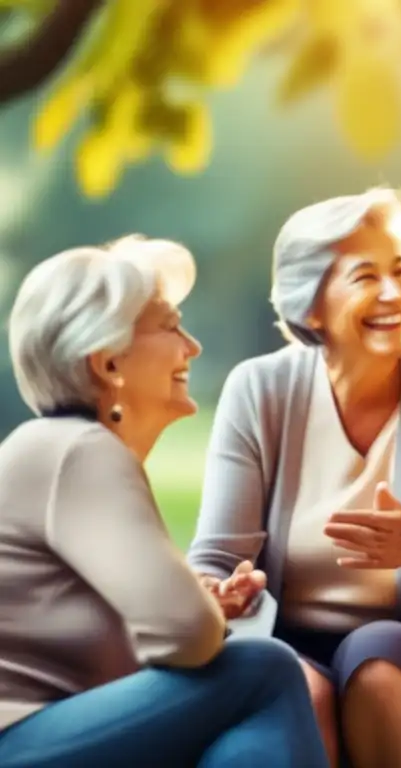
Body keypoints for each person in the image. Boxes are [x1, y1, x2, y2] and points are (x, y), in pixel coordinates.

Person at [186, 187, 401, 768]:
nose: (393, 292)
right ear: (311, 307)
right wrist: (219, 593)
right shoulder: (259, 390)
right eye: (365, 277)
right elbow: (213, 558)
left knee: (377, 664)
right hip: (280, 635)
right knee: (295, 685)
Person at [0, 236, 328, 768]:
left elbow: (168, 633)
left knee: (241, 709)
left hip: (45, 738)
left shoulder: (57, 449)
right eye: (170, 325)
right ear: (107, 363)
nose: (191, 347)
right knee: (265, 669)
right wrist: (200, 615)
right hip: (19, 743)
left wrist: (202, 611)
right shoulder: (79, 452)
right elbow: (187, 635)